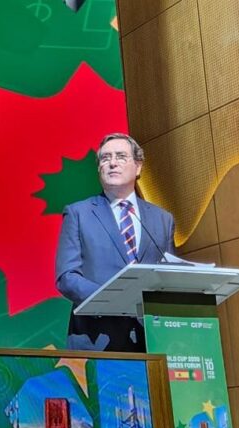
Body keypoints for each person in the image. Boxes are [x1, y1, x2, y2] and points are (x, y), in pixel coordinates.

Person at [55, 133, 176, 352]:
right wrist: (113, 298)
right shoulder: (79, 214)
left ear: (138, 167)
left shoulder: (162, 219)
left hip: (152, 339)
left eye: (121, 156)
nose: (112, 163)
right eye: (105, 158)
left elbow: (169, 276)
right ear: (99, 168)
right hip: (97, 339)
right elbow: (67, 277)